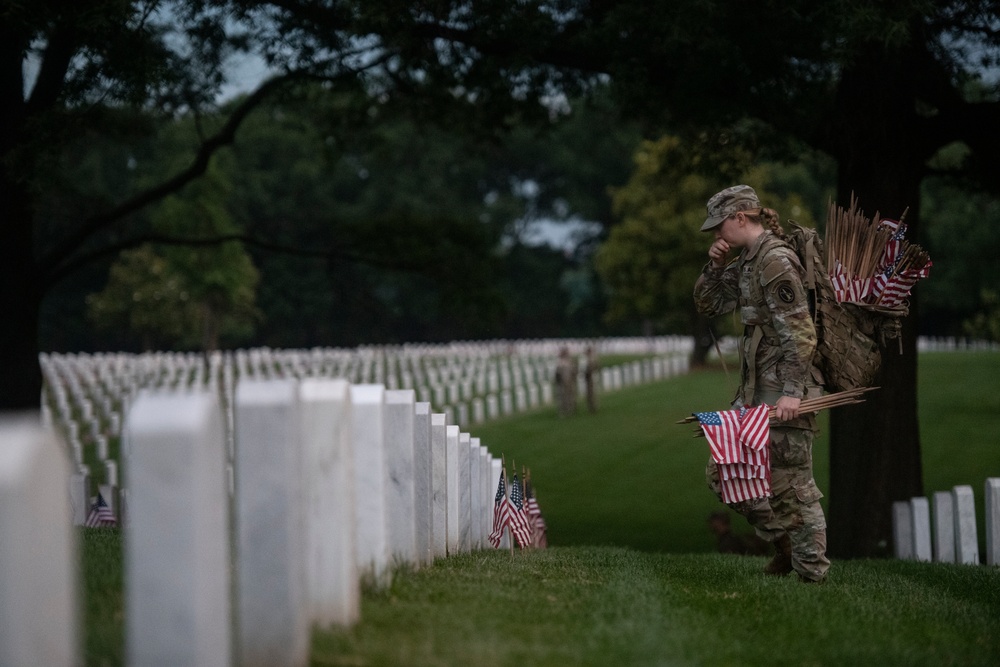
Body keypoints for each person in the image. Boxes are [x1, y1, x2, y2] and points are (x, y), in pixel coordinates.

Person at [692, 184, 830, 583]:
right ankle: (784, 544)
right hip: (755, 394)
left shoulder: (775, 261)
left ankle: (812, 574)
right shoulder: (748, 261)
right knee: (725, 473)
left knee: (793, 485)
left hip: (785, 392)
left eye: (720, 227)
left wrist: (791, 393)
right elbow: (708, 305)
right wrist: (715, 267)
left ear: (740, 217)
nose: (717, 235)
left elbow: (801, 336)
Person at [583, 345, 600, 413]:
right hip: (592, 377)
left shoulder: (591, 359)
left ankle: (593, 407)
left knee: (591, 393)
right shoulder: (593, 358)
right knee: (591, 393)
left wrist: (587, 373)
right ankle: (592, 407)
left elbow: (591, 369)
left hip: (590, 378)